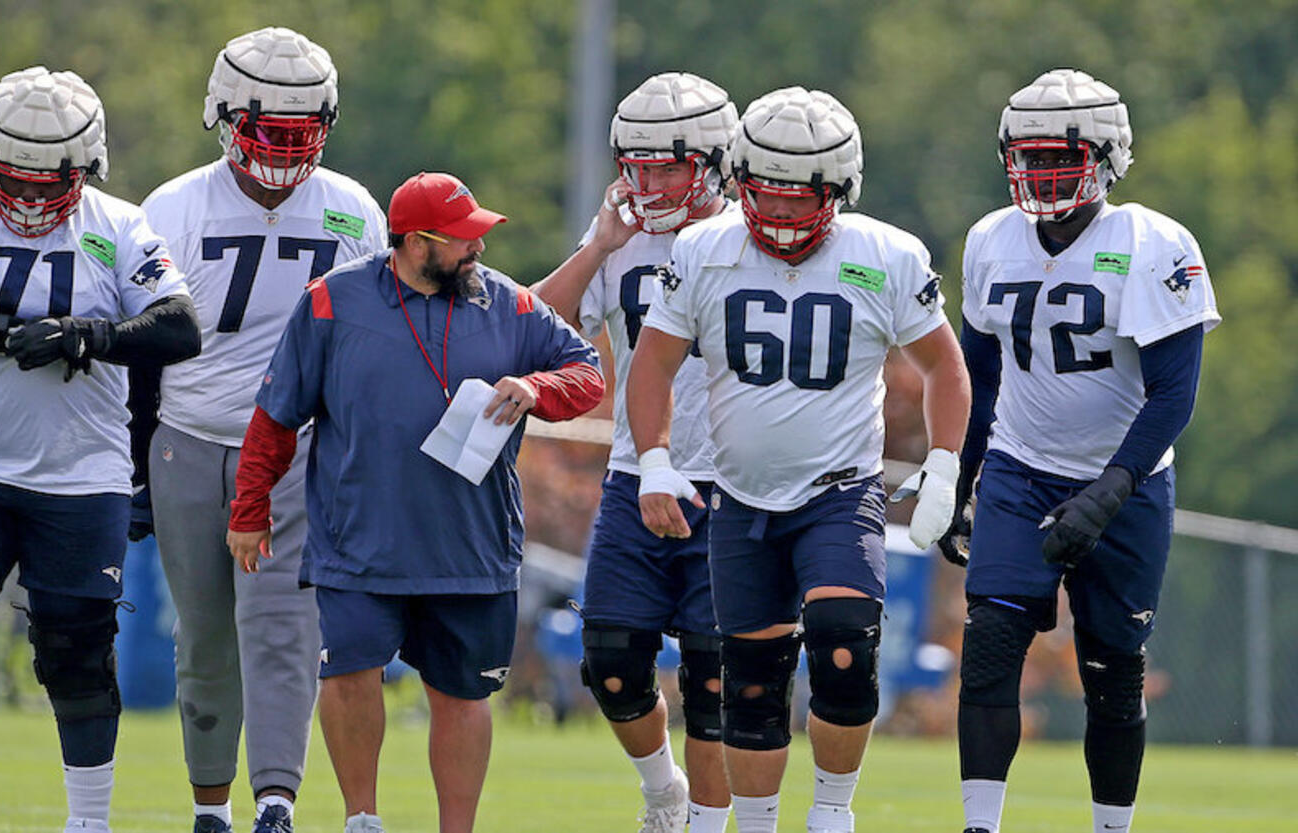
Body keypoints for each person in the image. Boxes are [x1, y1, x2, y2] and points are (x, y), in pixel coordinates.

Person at [629, 87, 971, 833]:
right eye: (766, 197)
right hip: (739, 494)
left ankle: (831, 816)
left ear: (838, 191)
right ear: (740, 181)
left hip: (838, 490)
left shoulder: (886, 255)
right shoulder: (702, 250)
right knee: (750, 686)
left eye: (798, 200)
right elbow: (651, 366)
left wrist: (946, 465)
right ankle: (756, 822)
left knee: (846, 644)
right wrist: (654, 460)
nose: (780, 216)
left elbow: (945, 367)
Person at [226, 171, 604, 833]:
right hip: (356, 541)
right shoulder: (330, 301)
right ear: (415, 242)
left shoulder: (511, 304)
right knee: (350, 675)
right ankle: (361, 819)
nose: (476, 250)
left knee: (462, 693)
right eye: (462, 239)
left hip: (471, 546)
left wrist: (537, 386)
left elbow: (587, 373)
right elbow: (275, 417)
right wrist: (249, 509)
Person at [0, 66, 200, 833]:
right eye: (11, 179)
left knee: (76, 652)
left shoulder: (119, 226)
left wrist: (89, 336)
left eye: (43, 183)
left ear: (85, 166)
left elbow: (179, 325)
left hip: (82, 473)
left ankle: (88, 822)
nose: (24, 200)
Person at [945, 68, 1220, 833]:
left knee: (1113, 669)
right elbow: (979, 377)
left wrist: (1107, 492)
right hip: (1020, 468)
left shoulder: (1153, 244)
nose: (1040, 173)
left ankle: (1109, 828)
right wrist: (958, 482)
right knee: (992, 642)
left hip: (1126, 480)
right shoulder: (990, 239)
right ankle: (980, 825)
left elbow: (1172, 394)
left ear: (1108, 157)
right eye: (1027, 157)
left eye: (1057, 156)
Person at [137, 27, 387, 833]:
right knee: (205, 640)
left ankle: (274, 803)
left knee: (283, 630)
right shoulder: (172, 207)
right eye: (264, 128)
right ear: (223, 115)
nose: (281, 148)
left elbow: (374, 349)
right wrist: (133, 467)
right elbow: (140, 353)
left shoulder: (352, 212)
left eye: (296, 130)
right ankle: (212, 807)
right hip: (190, 439)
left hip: (297, 452)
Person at [531, 71, 737, 833]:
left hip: (736, 482)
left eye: (668, 165)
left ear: (713, 162)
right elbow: (530, 320)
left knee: (718, 678)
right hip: (634, 472)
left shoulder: (753, 234)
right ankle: (663, 790)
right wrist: (601, 248)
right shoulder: (619, 238)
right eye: (637, 164)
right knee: (610, 660)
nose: (648, 182)